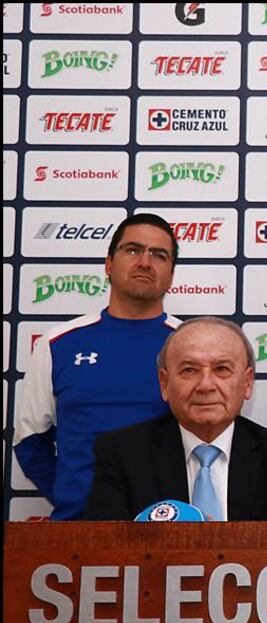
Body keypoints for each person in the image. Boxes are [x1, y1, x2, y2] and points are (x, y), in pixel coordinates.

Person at [13, 213, 182, 520]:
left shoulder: (193, 346)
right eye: (132, 250)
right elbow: (30, 442)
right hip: (79, 531)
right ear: (108, 264)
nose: (145, 261)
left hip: (171, 530)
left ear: (171, 275)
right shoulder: (57, 344)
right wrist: (76, 499)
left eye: (159, 255)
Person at [84, 317, 267, 521]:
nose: (206, 385)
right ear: (164, 383)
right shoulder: (121, 454)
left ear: (247, 383)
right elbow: (107, 554)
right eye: (189, 370)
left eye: (222, 369)